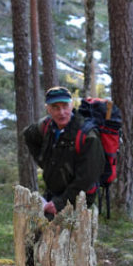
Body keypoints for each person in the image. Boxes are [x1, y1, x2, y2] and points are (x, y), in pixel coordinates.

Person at [23, 86, 104, 218]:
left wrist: (60, 203)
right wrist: (44, 162)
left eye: (65, 106)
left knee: (57, 230)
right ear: (48, 109)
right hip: (53, 194)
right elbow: (28, 134)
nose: (61, 112)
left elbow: (88, 178)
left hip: (79, 201)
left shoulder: (88, 136)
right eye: (55, 107)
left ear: (71, 105)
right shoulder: (48, 126)